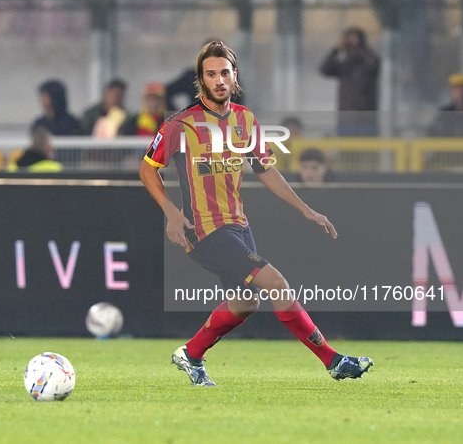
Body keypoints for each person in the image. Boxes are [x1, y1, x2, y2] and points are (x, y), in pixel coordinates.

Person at [139, 40, 373, 386]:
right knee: (276, 283)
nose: (219, 80)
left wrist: (305, 209)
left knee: (246, 302)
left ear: (235, 76)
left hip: (237, 226)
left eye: (225, 72)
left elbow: (264, 169)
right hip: (202, 228)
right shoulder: (180, 124)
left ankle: (191, 354)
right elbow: (148, 169)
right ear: (201, 81)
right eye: (211, 74)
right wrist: (171, 211)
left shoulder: (245, 121)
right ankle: (333, 361)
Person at [319, 27, 380, 137]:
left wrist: (361, 47)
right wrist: (336, 49)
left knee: (368, 150)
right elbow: (324, 70)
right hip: (346, 119)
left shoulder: (368, 62)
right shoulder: (344, 66)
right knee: (346, 151)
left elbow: (375, 64)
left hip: (366, 118)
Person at [427, 73, 463, 137]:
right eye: (456, 89)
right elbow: (433, 132)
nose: (460, 93)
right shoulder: (445, 113)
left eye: (462, 89)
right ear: (452, 92)